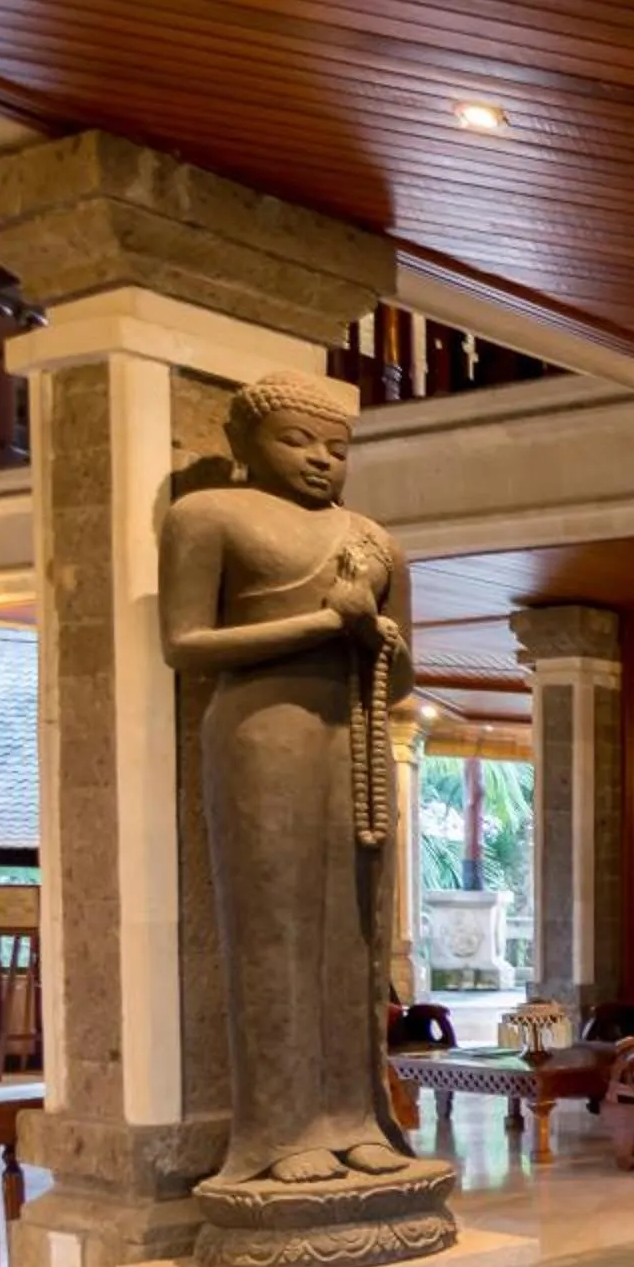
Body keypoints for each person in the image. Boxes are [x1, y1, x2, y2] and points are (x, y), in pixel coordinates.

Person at [159, 372, 419, 1189]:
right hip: (262, 732)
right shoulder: (208, 517)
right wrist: (321, 622)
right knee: (273, 926)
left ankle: (353, 1115)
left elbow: (404, 673)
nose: (319, 461)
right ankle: (279, 1129)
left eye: (336, 448)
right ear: (244, 443)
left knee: (356, 932)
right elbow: (185, 644)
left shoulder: (373, 538)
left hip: (357, 732)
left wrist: (372, 633)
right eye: (297, 442)